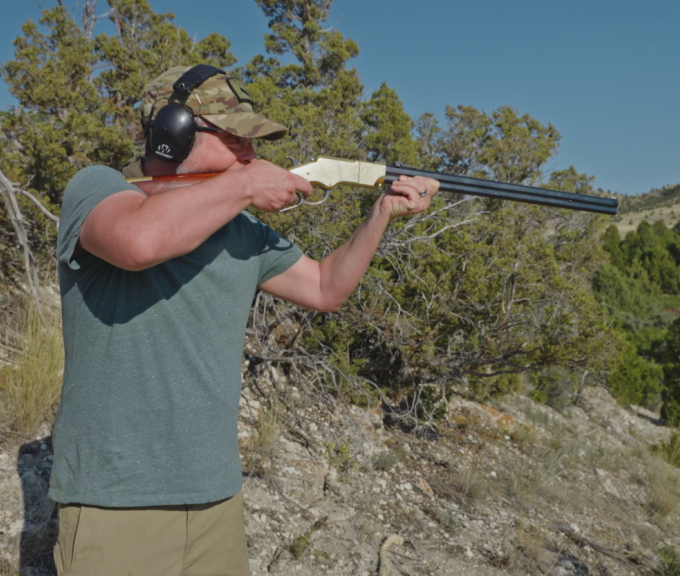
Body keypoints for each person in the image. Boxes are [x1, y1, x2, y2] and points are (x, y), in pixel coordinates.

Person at [50, 64, 438, 576]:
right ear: (172, 134)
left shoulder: (243, 228)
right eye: (235, 138)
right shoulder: (97, 189)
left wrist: (382, 213)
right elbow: (137, 242)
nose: (251, 154)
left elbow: (325, 288)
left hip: (216, 498)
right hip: (116, 500)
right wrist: (246, 186)